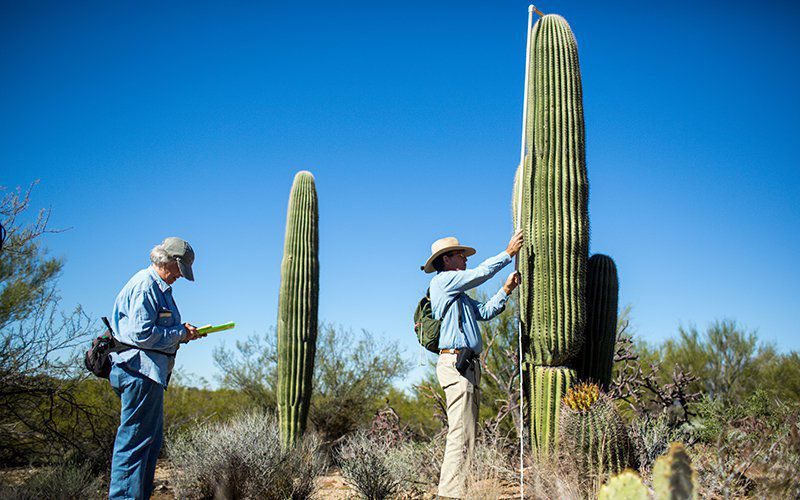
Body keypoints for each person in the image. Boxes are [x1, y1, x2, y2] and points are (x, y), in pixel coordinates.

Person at [421, 231, 524, 499]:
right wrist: (508, 253)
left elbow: (486, 312)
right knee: (461, 432)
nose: (465, 259)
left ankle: (456, 491)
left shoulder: (460, 296)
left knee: (467, 433)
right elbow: (481, 274)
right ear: (446, 260)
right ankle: (450, 494)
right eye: (460, 255)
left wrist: (506, 290)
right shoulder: (444, 282)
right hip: (455, 363)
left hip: (466, 365)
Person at [108, 237, 202, 499]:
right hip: (139, 371)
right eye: (179, 270)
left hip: (147, 373)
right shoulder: (145, 286)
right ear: (169, 261)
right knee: (135, 444)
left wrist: (183, 333)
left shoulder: (157, 287)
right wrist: (180, 333)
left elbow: (156, 330)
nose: (180, 277)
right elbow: (142, 334)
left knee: (147, 443)